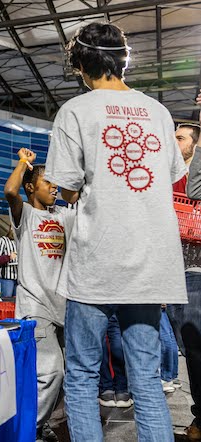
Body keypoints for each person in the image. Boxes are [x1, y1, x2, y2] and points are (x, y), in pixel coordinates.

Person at [44, 22, 187, 441]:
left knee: (83, 376)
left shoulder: (76, 111)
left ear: (83, 66)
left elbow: (66, 189)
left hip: (98, 261)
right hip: (150, 261)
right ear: (122, 61)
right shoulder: (159, 112)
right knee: (145, 378)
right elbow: (170, 175)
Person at [4, 147, 75, 440]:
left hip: (67, 307)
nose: (54, 186)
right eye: (48, 182)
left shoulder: (66, 216)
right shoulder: (27, 215)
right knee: (51, 372)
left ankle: (42, 422)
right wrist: (24, 163)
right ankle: (28, 429)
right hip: (35, 305)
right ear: (32, 187)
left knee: (68, 377)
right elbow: (10, 190)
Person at [171, 121, 201, 438]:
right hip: (173, 271)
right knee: (186, 347)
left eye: (179, 137)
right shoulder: (170, 175)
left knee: (195, 346)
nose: (173, 141)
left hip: (197, 271)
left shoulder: (196, 174)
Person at [0, 227, 18, 298]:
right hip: (7, 277)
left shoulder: (21, 241)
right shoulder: (3, 240)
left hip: (20, 278)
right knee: (7, 300)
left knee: (18, 303)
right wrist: (8, 257)